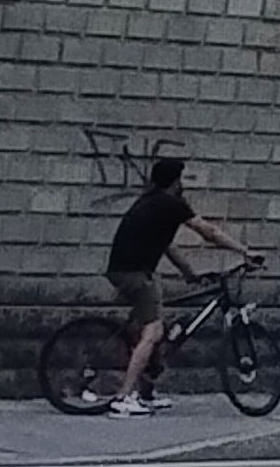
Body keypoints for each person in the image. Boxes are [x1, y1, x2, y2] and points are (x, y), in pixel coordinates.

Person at [103, 153, 246, 415]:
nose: (183, 184)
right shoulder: (171, 204)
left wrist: (189, 273)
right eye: (180, 179)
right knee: (154, 332)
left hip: (129, 270)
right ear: (173, 182)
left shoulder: (150, 202)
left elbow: (166, 245)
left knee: (153, 322)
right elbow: (209, 232)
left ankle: (146, 392)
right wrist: (245, 252)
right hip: (135, 273)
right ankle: (123, 398)